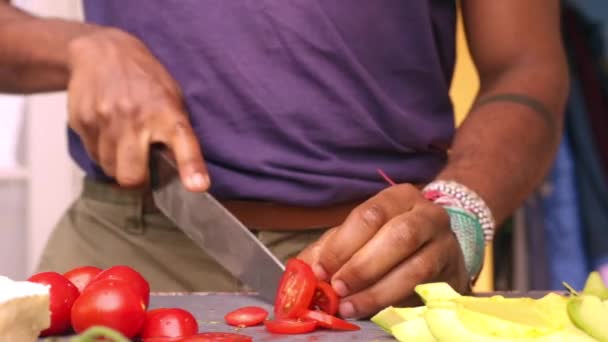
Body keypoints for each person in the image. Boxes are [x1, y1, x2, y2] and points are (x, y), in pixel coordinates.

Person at [0, 1, 568, 319]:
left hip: (381, 266)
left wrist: (461, 215)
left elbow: (526, 68)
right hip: (118, 267)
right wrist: (75, 47)